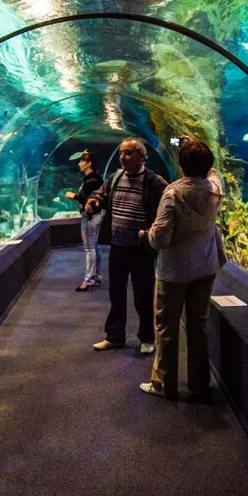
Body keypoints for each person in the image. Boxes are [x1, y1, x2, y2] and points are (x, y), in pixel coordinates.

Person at [138, 137, 225, 403]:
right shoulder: (214, 189)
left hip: (174, 272)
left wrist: (146, 234)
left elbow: (160, 238)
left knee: (166, 327)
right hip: (205, 267)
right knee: (198, 326)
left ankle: (164, 383)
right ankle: (199, 385)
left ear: (180, 164)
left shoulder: (173, 193)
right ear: (208, 164)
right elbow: (215, 174)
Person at [84, 137, 168, 354]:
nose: (123, 156)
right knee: (116, 293)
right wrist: (93, 201)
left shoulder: (153, 181)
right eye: (122, 152)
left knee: (143, 295)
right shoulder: (116, 177)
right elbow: (101, 193)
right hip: (118, 246)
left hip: (141, 249)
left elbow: (169, 204)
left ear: (141, 156)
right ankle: (115, 336)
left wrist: (154, 234)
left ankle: (147, 338)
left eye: (129, 153)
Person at [65, 150, 104, 291]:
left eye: (82, 161)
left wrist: (73, 196)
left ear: (89, 163)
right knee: (95, 247)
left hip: (91, 217)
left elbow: (89, 200)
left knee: (89, 248)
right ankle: (97, 277)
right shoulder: (94, 178)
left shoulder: (91, 179)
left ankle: (89, 280)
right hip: (95, 216)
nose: (79, 163)